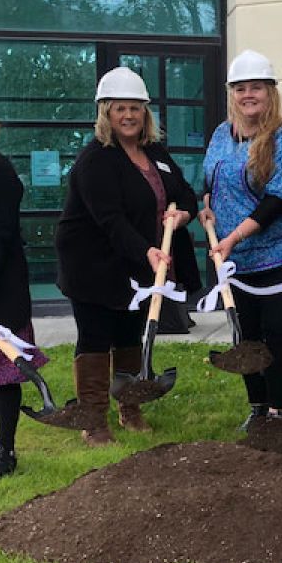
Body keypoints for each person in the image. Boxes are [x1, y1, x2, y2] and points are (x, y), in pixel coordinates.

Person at [56, 67, 200, 446]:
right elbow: (111, 221)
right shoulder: (96, 160)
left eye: (136, 108)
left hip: (139, 263)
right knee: (96, 337)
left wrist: (183, 214)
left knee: (130, 336)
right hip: (94, 264)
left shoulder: (154, 151)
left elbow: (184, 193)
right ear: (106, 113)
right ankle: (93, 421)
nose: (129, 116)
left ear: (145, 113)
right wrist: (148, 250)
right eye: (120, 108)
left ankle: (129, 407)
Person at [202, 50, 282, 426]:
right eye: (240, 88)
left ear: (271, 92)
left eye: (256, 88)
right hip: (238, 256)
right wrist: (206, 206)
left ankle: (277, 412)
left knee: (276, 330)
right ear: (231, 93)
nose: (248, 94)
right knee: (246, 334)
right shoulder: (222, 133)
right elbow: (212, 179)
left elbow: (276, 201)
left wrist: (232, 237)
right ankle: (256, 411)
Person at [0, 128, 48, 478]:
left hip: (1, 287)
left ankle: (5, 448)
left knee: (2, 375)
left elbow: (0, 234)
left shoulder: (1, 174)